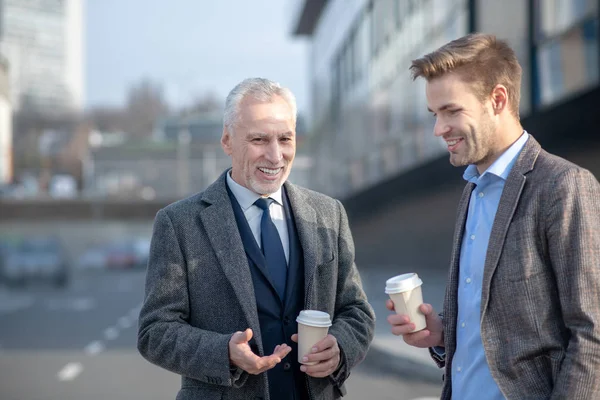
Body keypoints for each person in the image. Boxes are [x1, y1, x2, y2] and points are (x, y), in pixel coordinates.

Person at [386, 33, 600, 399]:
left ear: (497, 100)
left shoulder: (563, 186)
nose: (439, 129)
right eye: (435, 114)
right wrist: (441, 336)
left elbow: (591, 335)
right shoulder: (472, 188)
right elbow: (496, 332)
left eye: (452, 111)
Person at [138, 77, 375, 400]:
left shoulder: (328, 213)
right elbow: (155, 332)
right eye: (259, 139)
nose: (275, 156)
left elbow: (356, 310)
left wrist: (341, 347)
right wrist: (223, 352)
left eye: (285, 139)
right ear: (227, 140)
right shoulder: (179, 223)